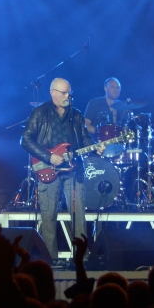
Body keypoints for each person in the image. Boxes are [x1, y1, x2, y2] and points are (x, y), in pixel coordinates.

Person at [21, 78, 103, 261]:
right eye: (64, 93)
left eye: (69, 93)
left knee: (79, 217)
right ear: (53, 93)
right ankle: (50, 261)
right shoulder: (39, 113)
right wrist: (48, 156)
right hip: (48, 169)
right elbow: (25, 139)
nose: (68, 96)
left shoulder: (76, 114)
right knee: (48, 218)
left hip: (73, 172)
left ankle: (82, 259)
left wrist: (95, 146)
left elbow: (83, 140)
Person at [84, 77, 126, 158]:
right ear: (105, 88)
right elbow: (86, 125)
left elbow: (123, 128)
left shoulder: (122, 107)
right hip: (96, 146)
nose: (115, 89)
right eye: (112, 87)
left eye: (118, 87)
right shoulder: (95, 103)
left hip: (116, 148)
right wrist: (101, 133)